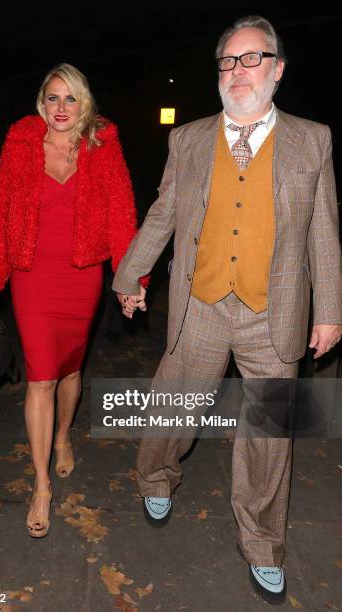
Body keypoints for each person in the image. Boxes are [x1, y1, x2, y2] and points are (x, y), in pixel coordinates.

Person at [113, 15, 342, 604]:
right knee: (174, 403)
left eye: (252, 58)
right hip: (202, 303)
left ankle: (264, 543)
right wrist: (130, 272)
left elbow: (323, 230)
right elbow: (163, 213)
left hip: (276, 311)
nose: (238, 71)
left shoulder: (312, 138)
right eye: (228, 60)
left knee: (269, 436)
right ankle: (156, 476)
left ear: (278, 69)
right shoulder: (188, 139)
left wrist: (331, 309)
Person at [0, 63, 147, 538]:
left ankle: (64, 436)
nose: (61, 108)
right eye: (53, 98)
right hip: (31, 275)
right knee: (41, 377)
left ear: (84, 103)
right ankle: (42, 483)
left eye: (70, 99)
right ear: (41, 104)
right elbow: (0, 210)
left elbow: (121, 215)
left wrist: (131, 280)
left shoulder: (102, 145)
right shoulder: (21, 144)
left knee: (71, 368)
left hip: (81, 275)